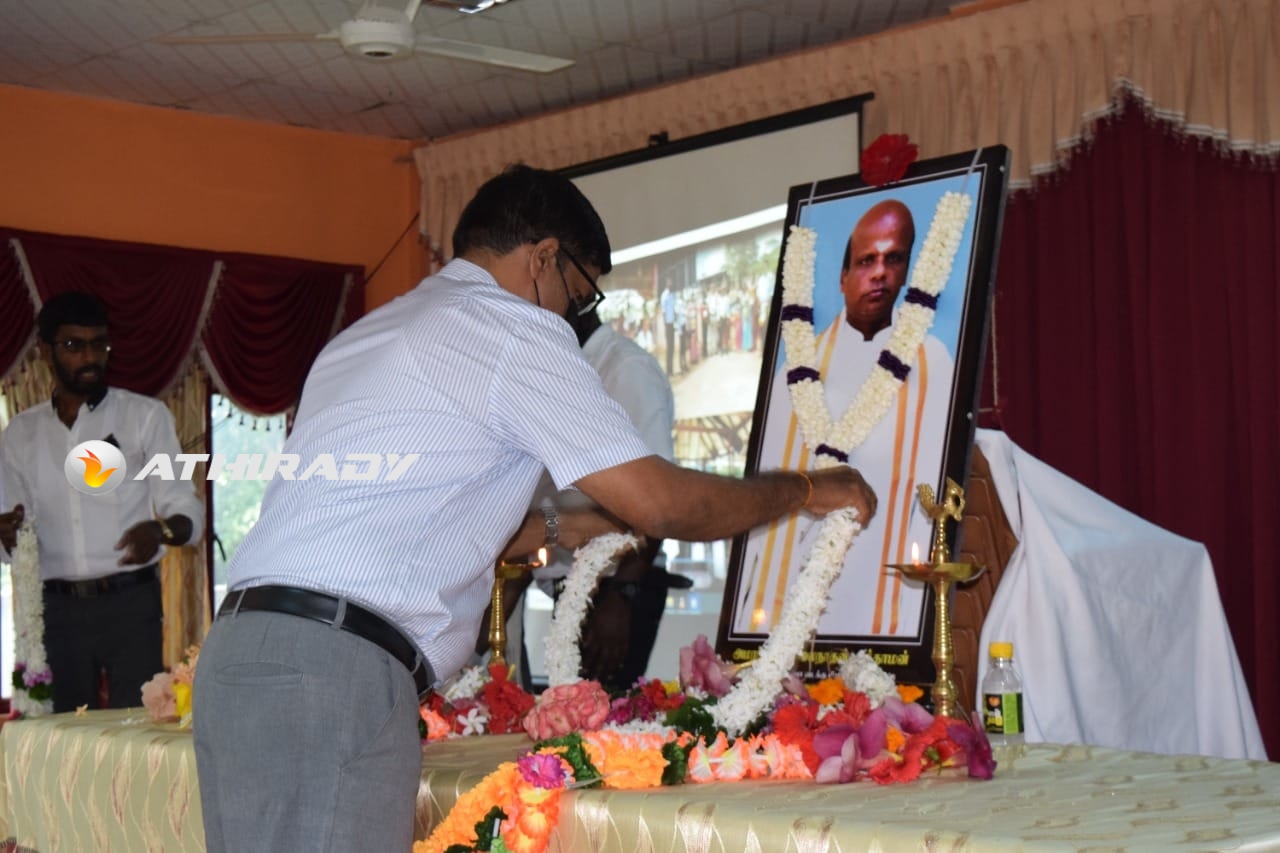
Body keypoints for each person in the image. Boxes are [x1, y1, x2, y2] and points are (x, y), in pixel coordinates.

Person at [192, 164, 876, 852]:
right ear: (543, 257)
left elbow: (442, 517)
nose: (573, 319)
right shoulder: (511, 328)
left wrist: (579, 524)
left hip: (243, 651)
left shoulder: (371, 334)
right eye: (577, 297)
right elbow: (664, 504)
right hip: (334, 673)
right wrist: (807, 489)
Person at [734, 199, 954, 641]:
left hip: (889, 585)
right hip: (792, 584)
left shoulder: (932, 362)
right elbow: (765, 492)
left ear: (907, 271)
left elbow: (934, 494)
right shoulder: (794, 370)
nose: (880, 273)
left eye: (894, 259)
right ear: (843, 276)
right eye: (866, 260)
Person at [0, 292, 202, 713]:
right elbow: (13, 535)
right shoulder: (20, 433)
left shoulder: (145, 416)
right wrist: (5, 534)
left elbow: (186, 510)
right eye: (74, 345)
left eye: (99, 344)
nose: (90, 357)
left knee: (138, 729)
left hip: (130, 604)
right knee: (64, 734)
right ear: (46, 351)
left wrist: (160, 529)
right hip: (56, 610)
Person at [528, 297, 679, 691]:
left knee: (603, 720)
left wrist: (621, 594)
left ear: (577, 296)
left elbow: (658, 499)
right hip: (568, 582)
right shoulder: (559, 368)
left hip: (618, 587)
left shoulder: (626, 369)